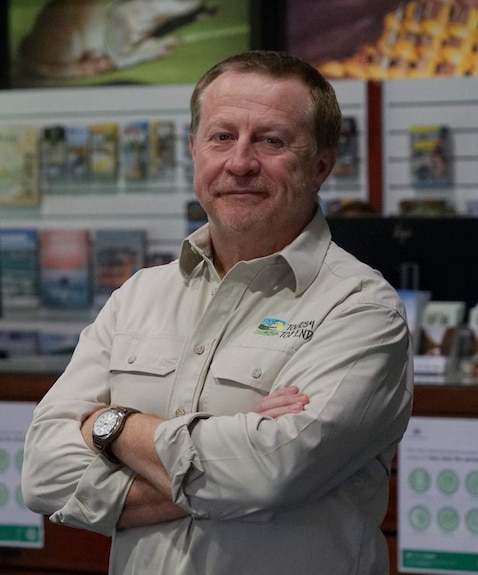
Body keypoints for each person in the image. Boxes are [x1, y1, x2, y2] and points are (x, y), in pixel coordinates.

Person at [22, 50, 413, 574]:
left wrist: (112, 426)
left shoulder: (361, 310)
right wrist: (233, 460)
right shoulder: (138, 297)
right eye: (221, 137)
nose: (240, 162)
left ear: (322, 164)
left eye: (272, 141)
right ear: (194, 150)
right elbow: (43, 472)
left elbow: (270, 471)